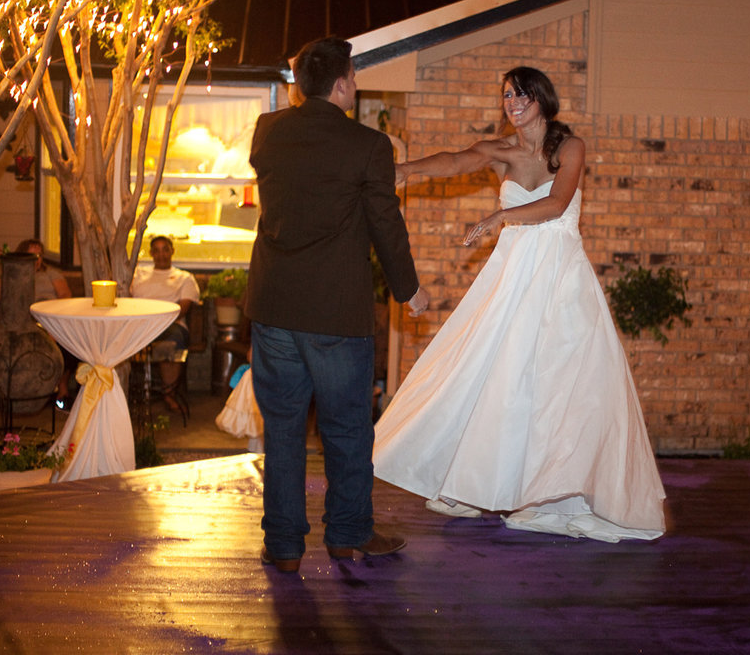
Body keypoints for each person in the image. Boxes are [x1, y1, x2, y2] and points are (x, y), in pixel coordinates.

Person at [373, 66, 666, 543]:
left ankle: (552, 488)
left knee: (561, 384)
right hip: (512, 277)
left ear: (542, 100)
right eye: (506, 95)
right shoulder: (500, 151)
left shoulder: (570, 148)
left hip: (561, 278)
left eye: (521, 94)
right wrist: (407, 170)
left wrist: (499, 216)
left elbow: (557, 202)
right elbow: (454, 161)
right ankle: (476, 480)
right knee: (498, 377)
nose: (511, 102)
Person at [246, 36, 429, 572]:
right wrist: (408, 288)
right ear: (343, 82)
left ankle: (283, 546)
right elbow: (385, 224)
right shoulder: (369, 147)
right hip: (335, 317)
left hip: (274, 306)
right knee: (347, 429)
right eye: (353, 74)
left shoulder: (268, 133)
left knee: (282, 430)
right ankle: (347, 535)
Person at [0, 238, 76, 404]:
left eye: (39, 255)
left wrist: (51, 318)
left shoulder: (50, 274)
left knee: (70, 344)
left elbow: (65, 295)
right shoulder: (12, 275)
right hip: (23, 322)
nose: (37, 259)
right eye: (32, 255)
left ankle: (62, 389)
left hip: (49, 319)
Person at [130, 235, 201, 413]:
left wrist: (161, 320)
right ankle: (126, 395)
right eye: (157, 250)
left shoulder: (184, 277)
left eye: (165, 249)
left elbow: (184, 307)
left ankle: (168, 394)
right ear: (151, 253)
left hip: (171, 323)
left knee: (171, 342)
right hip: (141, 324)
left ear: (172, 251)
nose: (161, 254)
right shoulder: (138, 274)